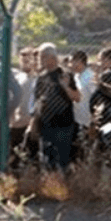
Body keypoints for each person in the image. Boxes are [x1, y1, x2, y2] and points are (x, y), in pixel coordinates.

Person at [28, 42, 81, 171]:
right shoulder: (41, 78)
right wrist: (33, 123)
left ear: (51, 58)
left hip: (63, 125)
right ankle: (51, 187)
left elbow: (77, 97)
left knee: (62, 161)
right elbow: (37, 102)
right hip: (45, 125)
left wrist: (65, 86)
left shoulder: (66, 75)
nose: (39, 61)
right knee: (46, 160)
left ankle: (62, 186)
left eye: (41, 57)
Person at [9, 47, 38, 167]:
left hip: (31, 124)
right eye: (22, 60)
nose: (24, 63)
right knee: (13, 157)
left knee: (29, 157)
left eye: (28, 60)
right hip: (16, 123)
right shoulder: (18, 77)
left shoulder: (38, 79)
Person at [69, 50, 96, 162]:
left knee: (84, 153)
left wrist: (93, 122)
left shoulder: (90, 77)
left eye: (72, 62)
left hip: (87, 121)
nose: (70, 65)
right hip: (77, 120)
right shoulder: (76, 76)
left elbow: (96, 99)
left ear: (79, 61)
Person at [89, 48, 111, 131]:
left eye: (100, 60)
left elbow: (96, 95)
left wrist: (91, 110)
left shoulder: (106, 75)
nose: (99, 63)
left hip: (106, 111)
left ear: (107, 60)